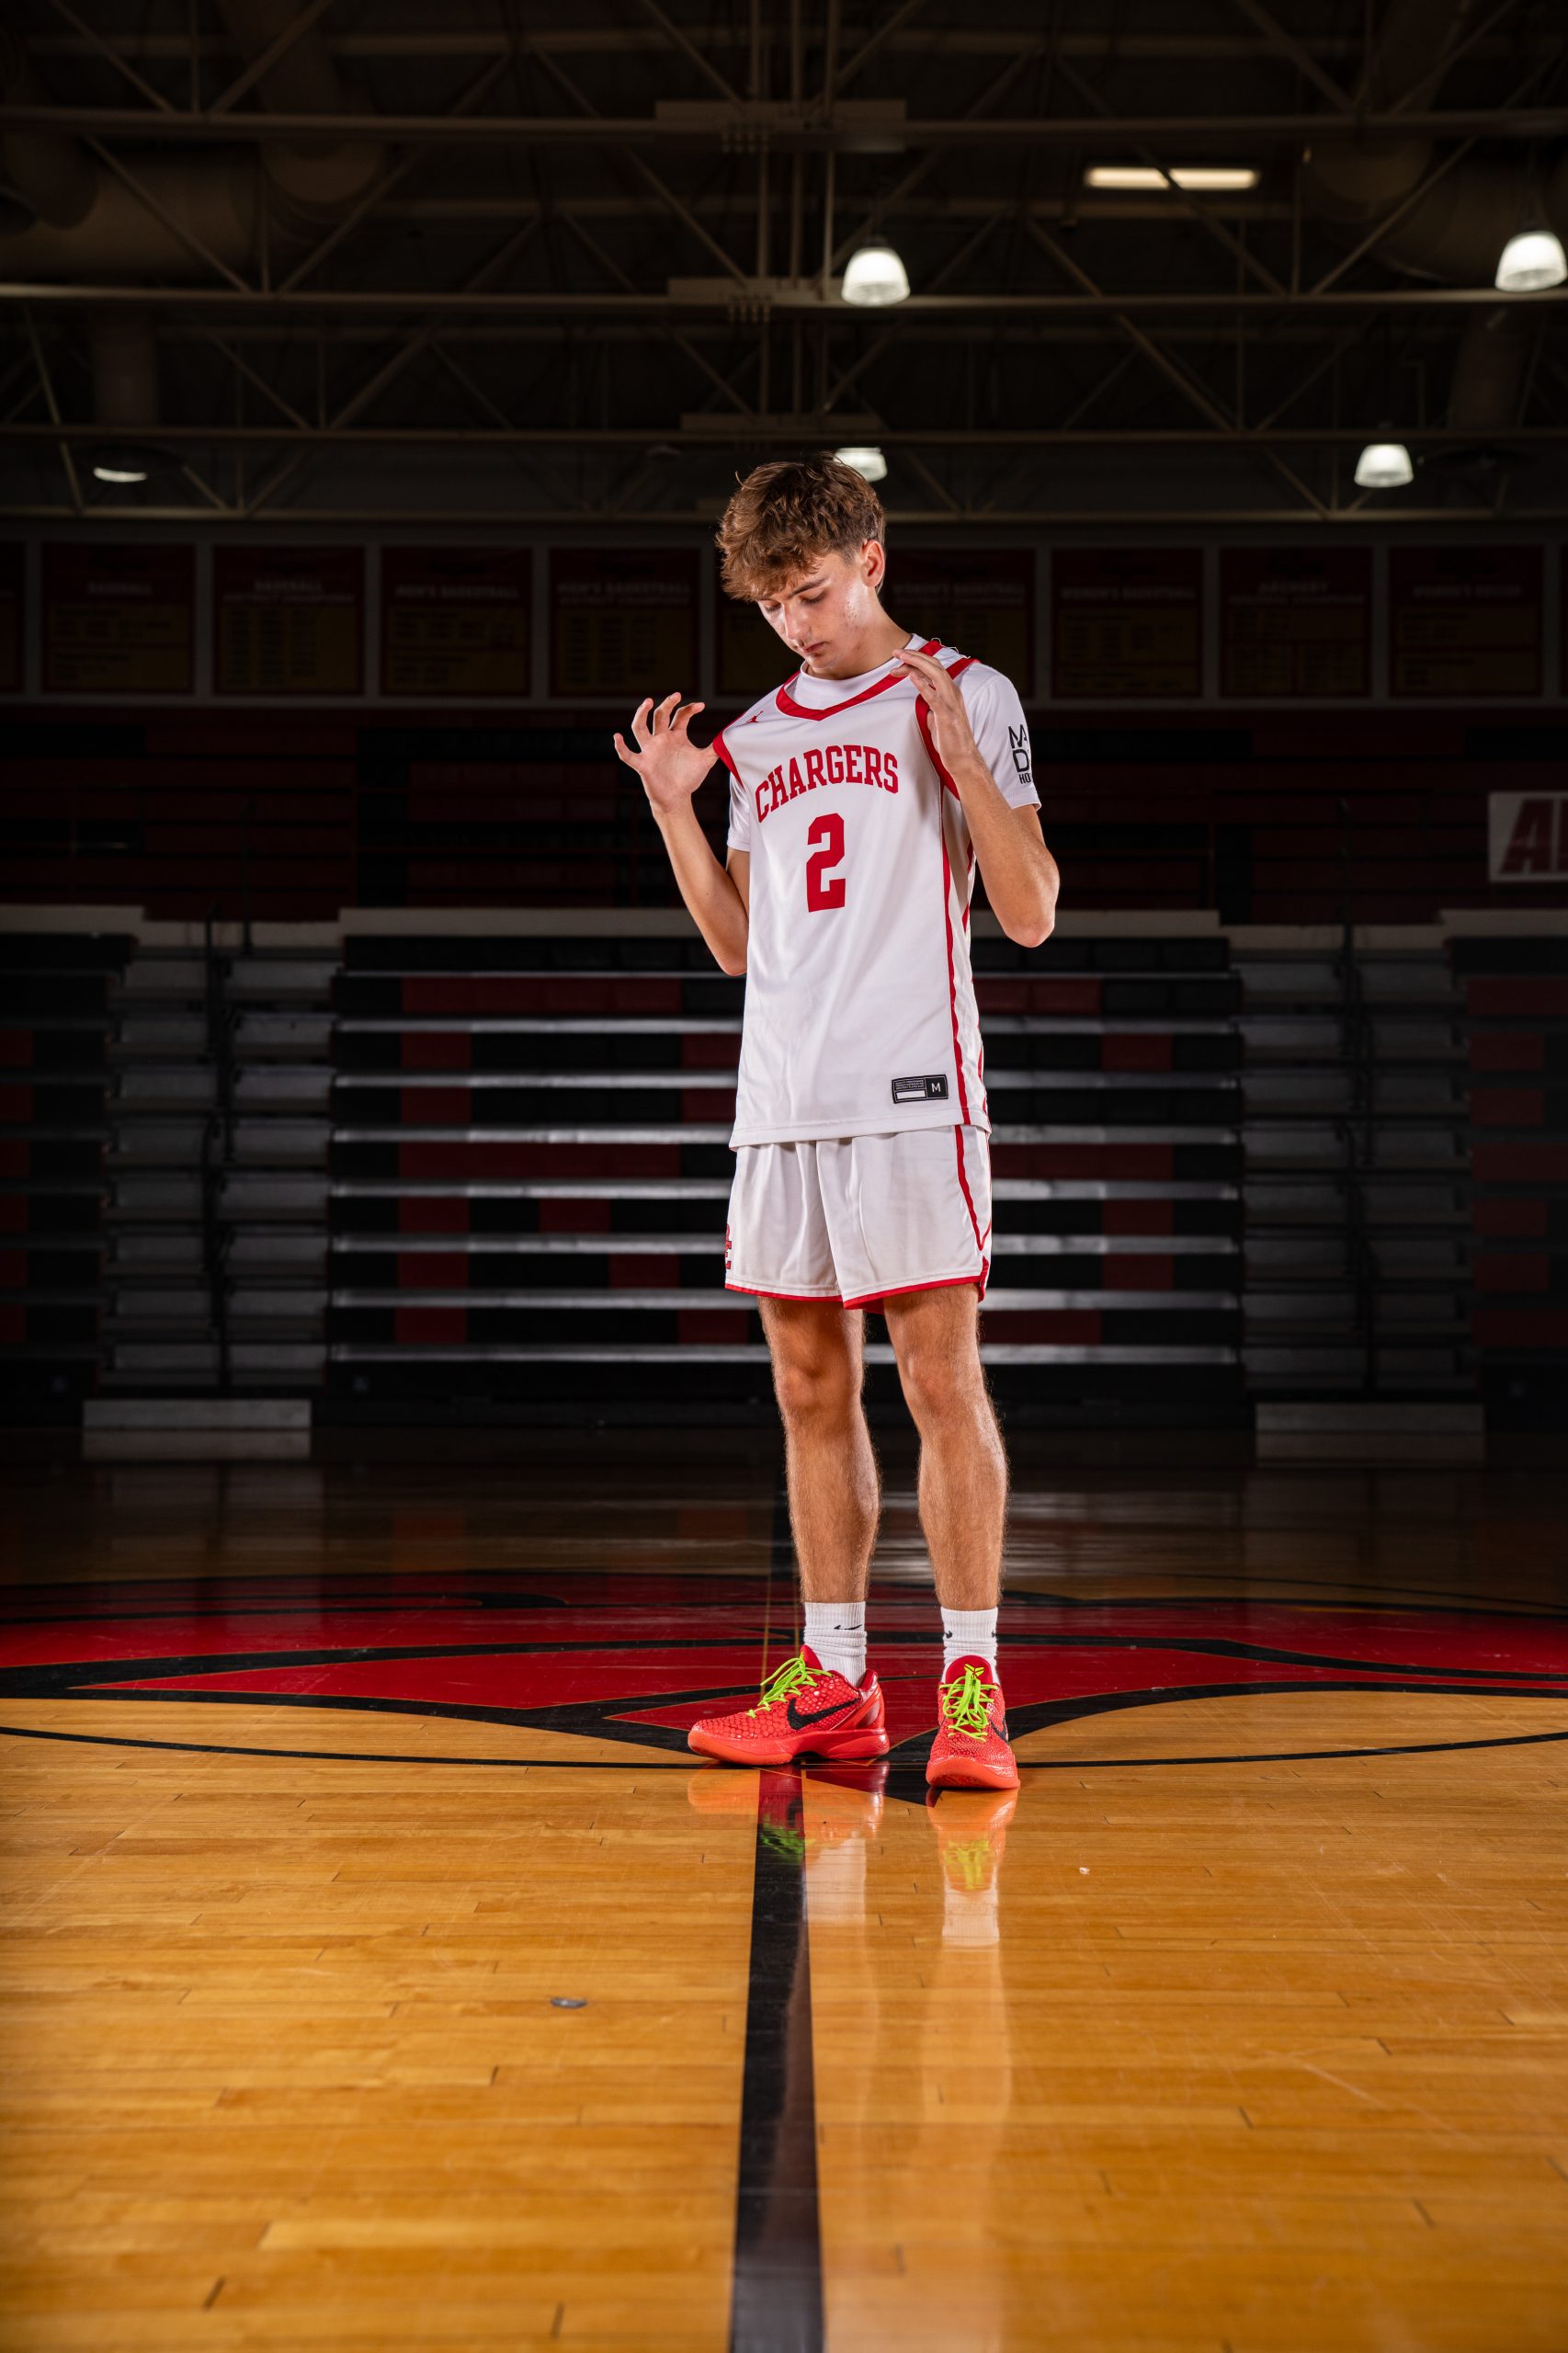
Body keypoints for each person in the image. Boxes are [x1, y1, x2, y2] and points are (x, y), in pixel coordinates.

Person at [612, 457, 1058, 1790]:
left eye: (809, 592)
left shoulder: (965, 692)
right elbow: (740, 948)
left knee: (939, 1383)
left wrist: (967, 767)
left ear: (871, 558)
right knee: (809, 1391)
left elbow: (1031, 911)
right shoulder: (754, 736)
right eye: (768, 606)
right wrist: (674, 810)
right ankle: (836, 1679)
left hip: (912, 1088)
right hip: (782, 1100)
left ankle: (972, 1685)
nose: (793, 624)